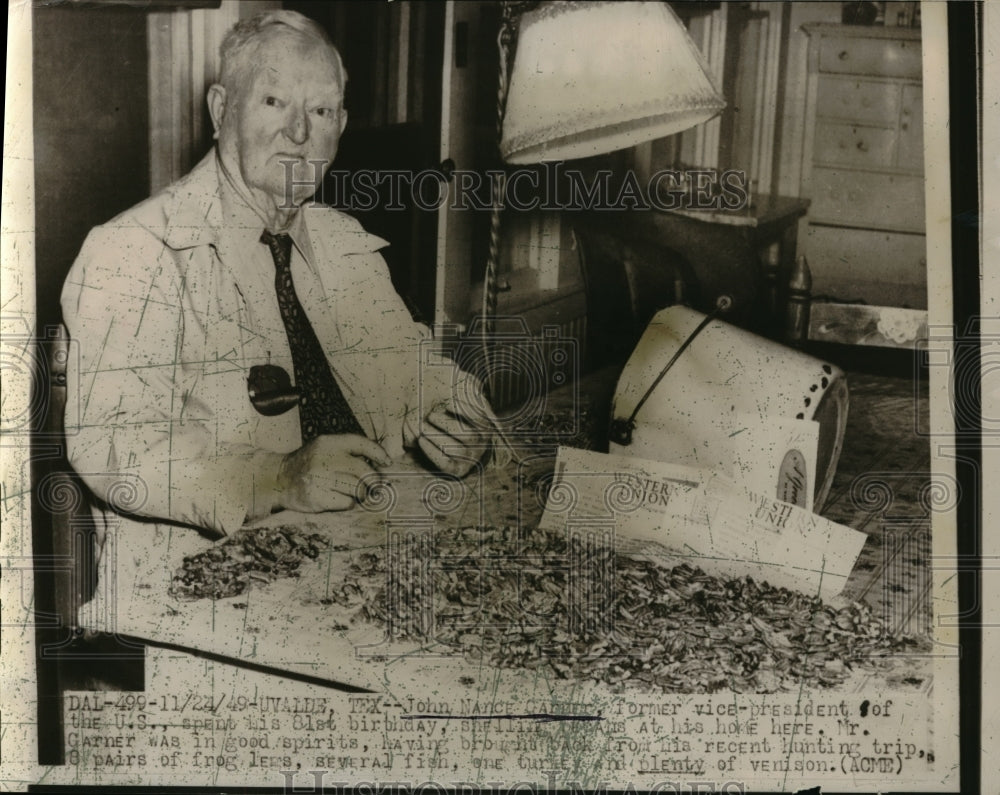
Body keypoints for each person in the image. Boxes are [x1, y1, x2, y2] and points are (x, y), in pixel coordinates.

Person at [60, 10, 492, 538]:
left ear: (341, 129)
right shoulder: (135, 250)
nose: (300, 131)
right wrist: (276, 476)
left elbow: (411, 368)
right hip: (202, 584)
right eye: (274, 101)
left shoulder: (344, 244)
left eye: (322, 109)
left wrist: (458, 416)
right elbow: (116, 445)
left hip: (363, 547)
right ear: (221, 110)